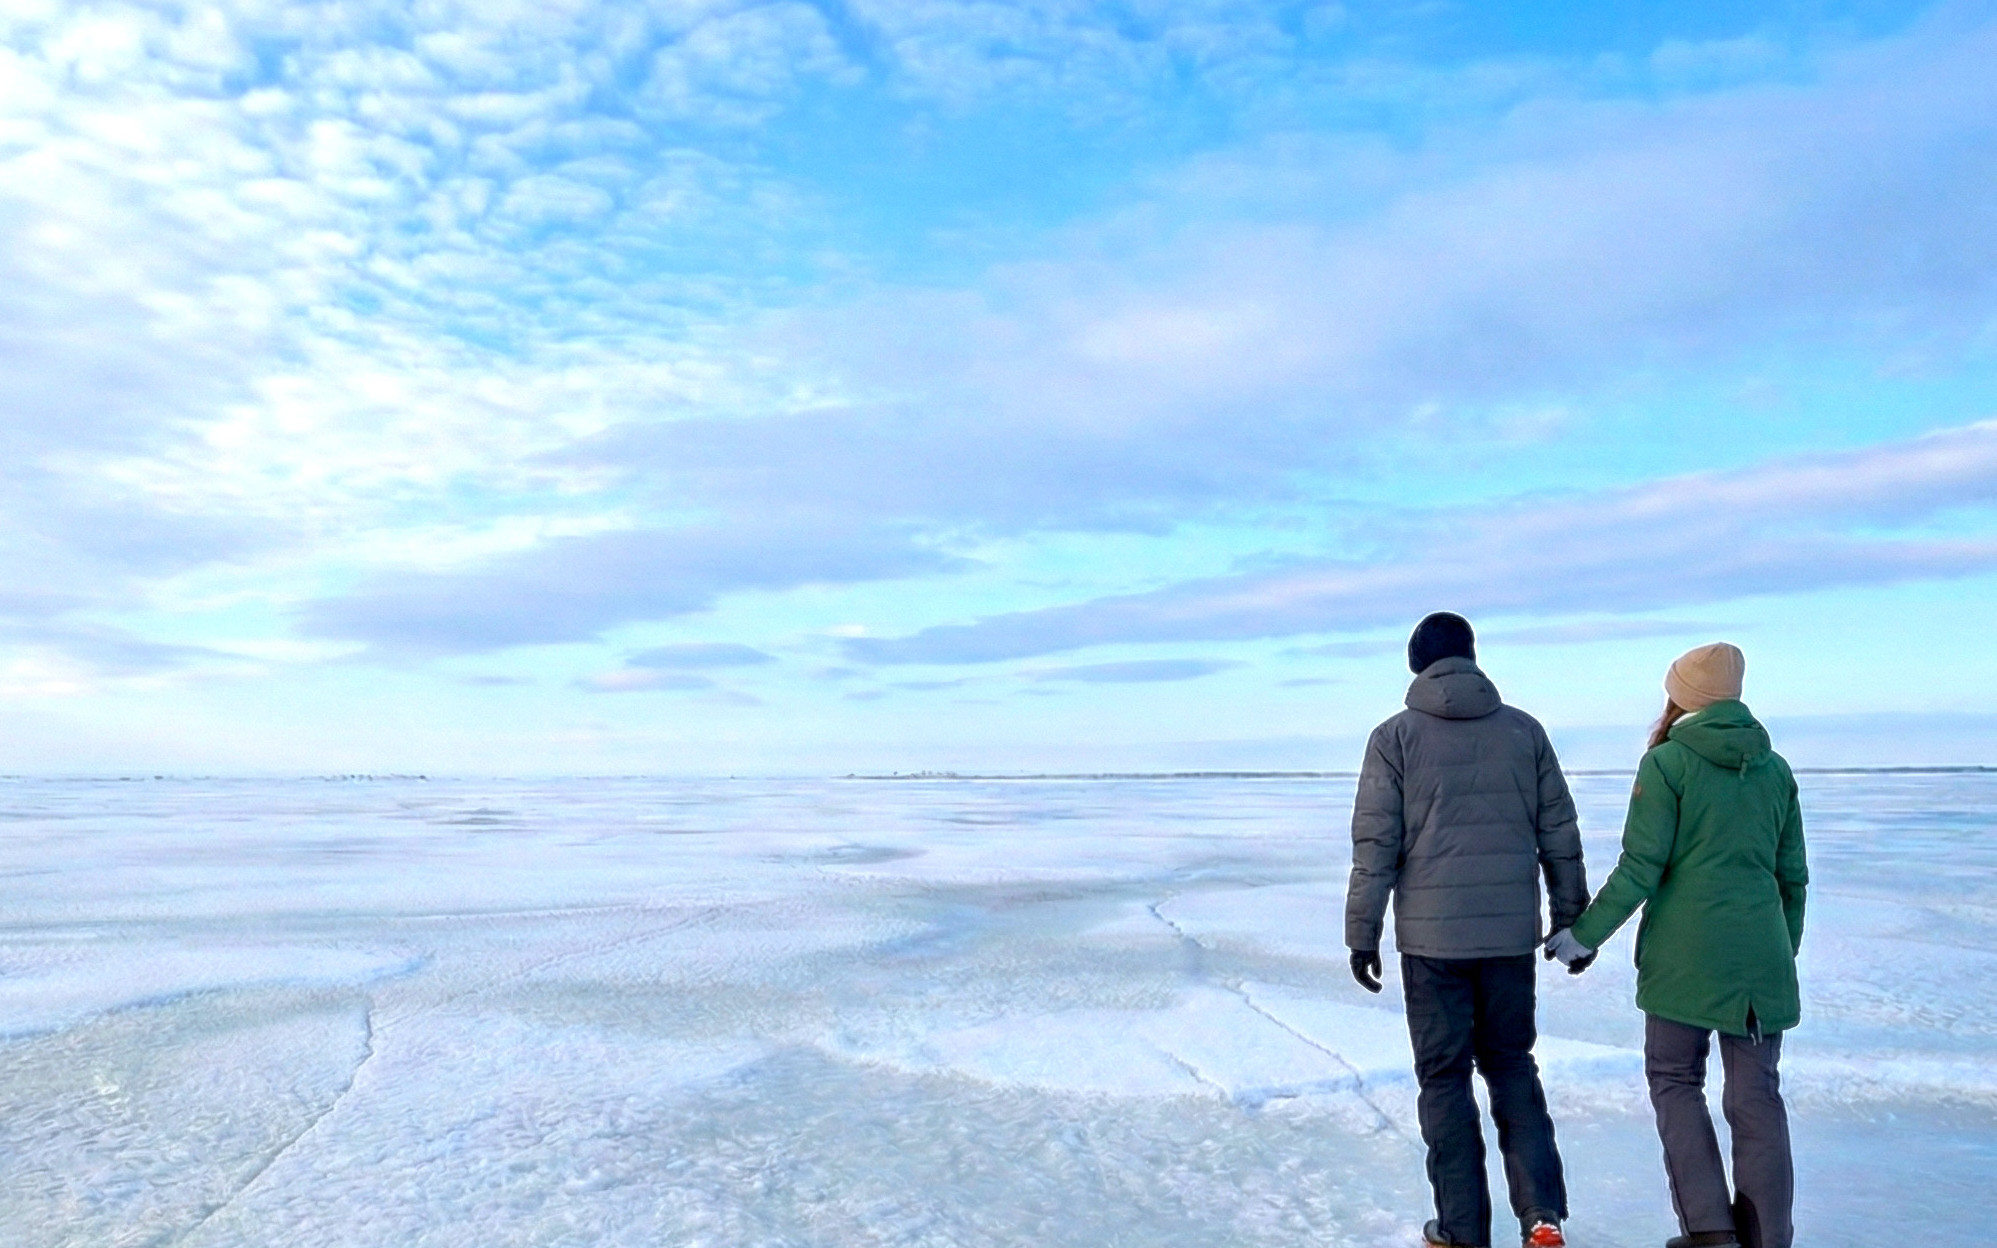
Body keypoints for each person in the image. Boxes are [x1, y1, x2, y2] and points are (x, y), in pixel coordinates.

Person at [1545, 643, 1807, 1248]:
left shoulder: (1666, 765)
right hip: (1761, 967)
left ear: (1681, 697)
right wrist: (1778, 952)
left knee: (1673, 1079)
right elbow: (1792, 879)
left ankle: (1712, 1233)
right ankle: (1768, 1238)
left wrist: (1582, 937)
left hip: (1683, 965)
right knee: (1757, 1096)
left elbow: (1641, 868)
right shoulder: (1776, 770)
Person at [1346, 612, 1589, 1248]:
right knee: (1511, 1066)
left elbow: (1377, 844)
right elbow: (1559, 834)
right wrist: (1572, 919)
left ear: (1414, 664)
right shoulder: (1524, 732)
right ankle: (1542, 1218)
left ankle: (1460, 1230)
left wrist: (1362, 932)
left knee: (1445, 1078)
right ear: (1473, 658)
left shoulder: (1393, 738)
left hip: (1431, 945)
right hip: (1508, 939)